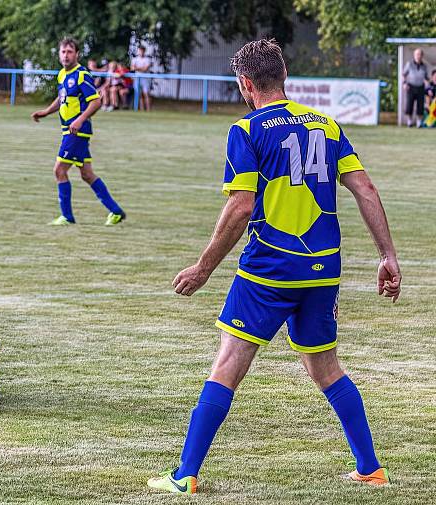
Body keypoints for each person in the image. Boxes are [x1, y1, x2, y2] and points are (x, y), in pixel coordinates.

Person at [147, 39, 401, 494]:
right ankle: (371, 467)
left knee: (227, 364)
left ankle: (184, 476)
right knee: (326, 367)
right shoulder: (325, 123)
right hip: (323, 270)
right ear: (284, 76)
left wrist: (204, 268)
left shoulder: (246, 130)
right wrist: (387, 256)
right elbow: (365, 189)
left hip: (269, 270)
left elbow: (241, 207)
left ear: (246, 83)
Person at [30, 38, 126, 226]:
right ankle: (115, 211)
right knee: (87, 174)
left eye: (70, 52)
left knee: (59, 170)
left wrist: (80, 119)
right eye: (63, 52)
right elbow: (62, 98)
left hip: (76, 132)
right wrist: (46, 112)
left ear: (77, 54)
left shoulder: (81, 74)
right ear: (59, 54)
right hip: (69, 130)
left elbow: (96, 101)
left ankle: (67, 216)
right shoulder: (62, 75)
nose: (66, 55)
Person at [403, 48, 428, 127]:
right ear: (414, 55)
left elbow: (426, 77)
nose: (418, 56)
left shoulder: (424, 66)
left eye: (420, 54)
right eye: (417, 54)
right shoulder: (409, 64)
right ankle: (409, 121)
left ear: (422, 56)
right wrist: (404, 83)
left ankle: (419, 122)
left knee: (420, 106)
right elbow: (404, 74)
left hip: (421, 87)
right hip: (411, 86)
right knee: (409, 105)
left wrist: (427, 82)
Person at [130, 46, 152, 111]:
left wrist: (137, 68)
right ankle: (141, 109)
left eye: (142, 51)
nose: (141, 52)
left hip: (145, 79)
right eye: (140, 51)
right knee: (138, 95)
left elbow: (145, 69)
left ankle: (148, 109)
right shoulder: (134, 59)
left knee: (146, 94)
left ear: (144, 51)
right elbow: (132, 68)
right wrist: (141, 68)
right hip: (137, 79)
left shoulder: (147, 59)